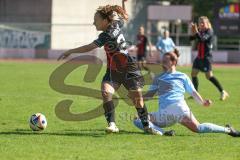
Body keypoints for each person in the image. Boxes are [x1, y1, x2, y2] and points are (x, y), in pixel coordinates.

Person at [58, 0, 160, 134]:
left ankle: (147, 126)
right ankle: (112, 124)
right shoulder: (116, 24)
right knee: (106, 92)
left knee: (138, 101)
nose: (93, 22)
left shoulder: (107, 34)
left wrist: (70, 51)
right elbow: (125, 17)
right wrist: (123, 5)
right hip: (113, 69)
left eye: (96, 20)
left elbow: (89, 47)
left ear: (105, 20)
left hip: (129, 68)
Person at [133, 49, 240, 137]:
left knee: (139, 119)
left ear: (174, 62)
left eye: (166, 61)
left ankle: (162, 132)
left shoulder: (175, 76)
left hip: (172, 111)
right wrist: (138, 97)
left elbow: (193, 92)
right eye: (162, 61)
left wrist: (203, 102)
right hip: (175, 111)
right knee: (199, 128)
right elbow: (149, 96)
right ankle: (228, 130)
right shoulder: (170, 76)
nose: (163, 63)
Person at [190, 16, 229, 100]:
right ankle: (195, 94)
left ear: (207, 23)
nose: (201, 24)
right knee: (193, 73)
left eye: (203, 22)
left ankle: (222, 91)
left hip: (206, 58)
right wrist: (193, 31)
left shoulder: (210, 31)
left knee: (209, 76)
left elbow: (202, 39)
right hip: (199, 57)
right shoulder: (200, 31)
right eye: (200, 23)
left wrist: (196, 32)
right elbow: (191, 39)